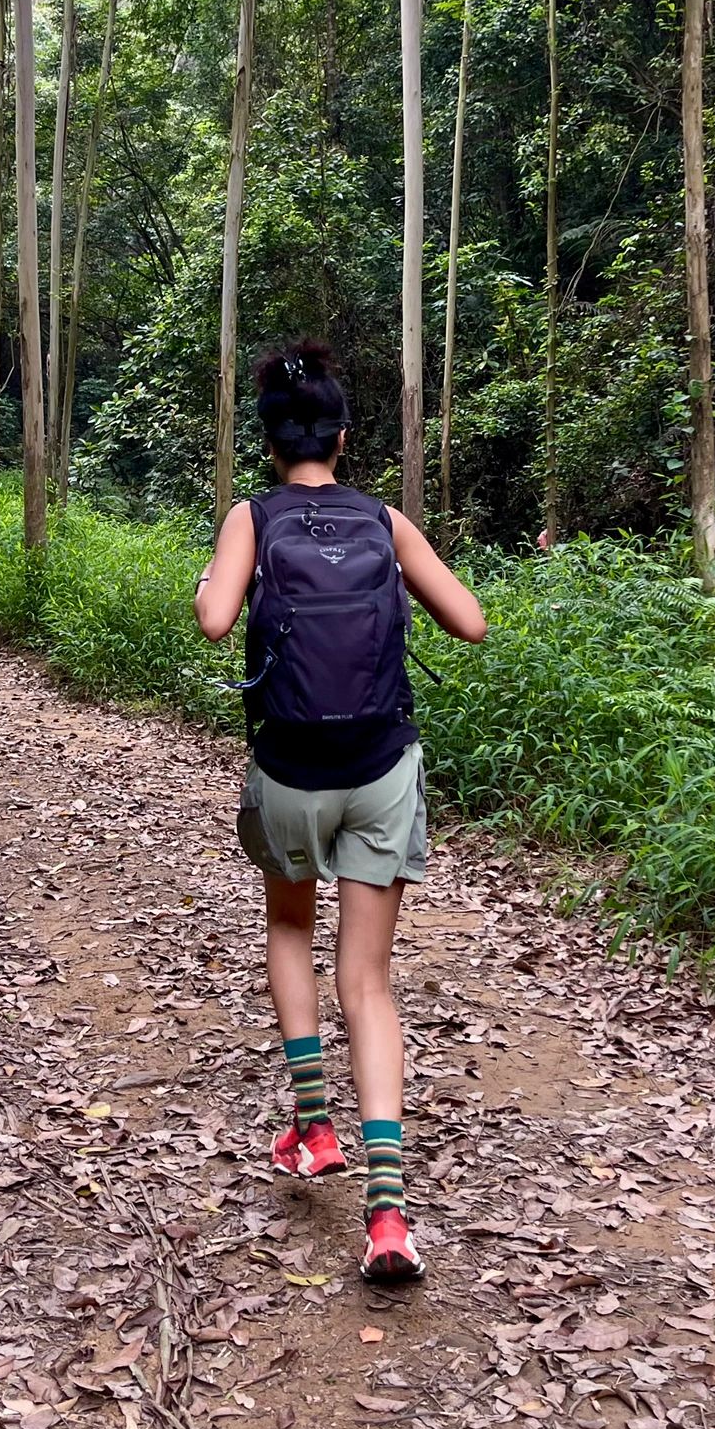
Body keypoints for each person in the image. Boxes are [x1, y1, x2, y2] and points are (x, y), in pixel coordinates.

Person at [195, 341, 486, 1285]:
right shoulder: (384, 520)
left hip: (288, 769)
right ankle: (391, 1216)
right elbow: (470, 621)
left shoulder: (253, 515)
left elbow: (214, 621)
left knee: (289, 930)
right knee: (370, 981)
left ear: (270, 445)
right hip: (379, 766)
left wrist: (214, 581)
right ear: (344, 439)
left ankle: (314, 1129)